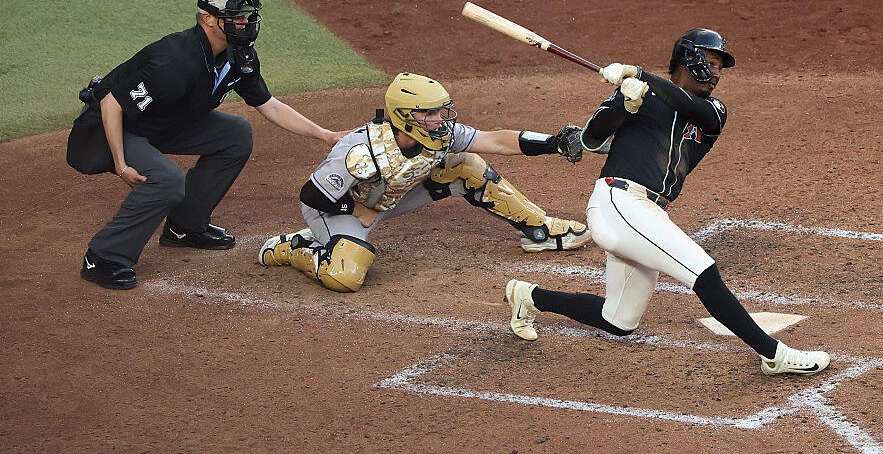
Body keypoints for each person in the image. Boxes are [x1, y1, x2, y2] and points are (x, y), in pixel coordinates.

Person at [503, 29, 831, 376]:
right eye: (714, 62)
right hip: (618, 203)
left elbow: (685, 105)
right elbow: (591, 137)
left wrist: (643, 77)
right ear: (691, 57)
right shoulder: (638, 96)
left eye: (721, 66)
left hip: (647, 213)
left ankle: (529, 296)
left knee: (618, 320)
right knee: (702, 271)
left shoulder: (712, 109)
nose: (718, 73)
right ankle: (773, 354)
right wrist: (624, 105)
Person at [79, 0, 346, 290]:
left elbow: (268, 105)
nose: (244, 23)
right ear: (208, 18)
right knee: (168, 180)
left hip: (163, 124)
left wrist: (324, 134)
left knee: (235, 134)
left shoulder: (237, 56)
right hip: (113, 127)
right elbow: (111, 102)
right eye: (235, 16)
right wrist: (121, 162)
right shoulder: (176, 61)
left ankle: (184, 227)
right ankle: (103, 257)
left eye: (246, 16)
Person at [257, 72, 592, 293]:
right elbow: (312, 195)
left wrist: (553, 143)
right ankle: (294, 248)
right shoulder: (360, 151)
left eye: (440, 112)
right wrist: (358, 208)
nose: (439, 120)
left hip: (387, 198)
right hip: (334, 209)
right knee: (345, 275)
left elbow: (495, 141)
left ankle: (540, 230)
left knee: (468, 166)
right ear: (404, 116)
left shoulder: (440, 135)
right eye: (429, 114)